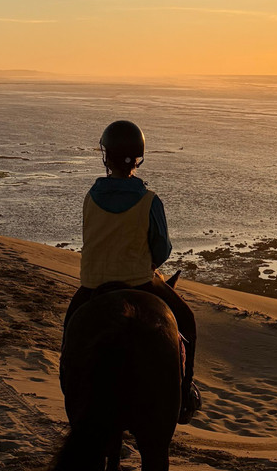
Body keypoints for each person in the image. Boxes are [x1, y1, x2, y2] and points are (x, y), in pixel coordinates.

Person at [63, 120, 202, 424]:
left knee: (70, 329)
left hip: (93, 286)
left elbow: (92, 238)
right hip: (141, 283)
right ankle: (184, 394)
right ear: (138, 158)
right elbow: (162, 249)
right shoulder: (150, 201)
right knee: (187, 321)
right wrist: (147, 263)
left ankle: (69, 388)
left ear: (106, 157)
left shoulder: (90, 197)